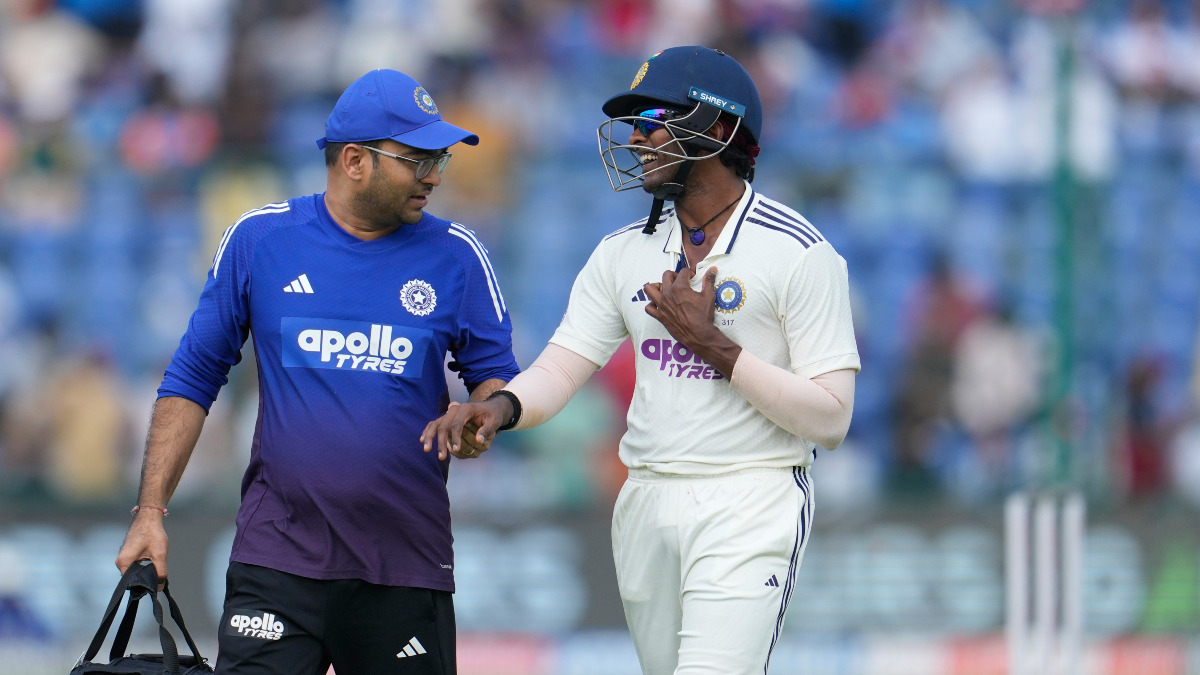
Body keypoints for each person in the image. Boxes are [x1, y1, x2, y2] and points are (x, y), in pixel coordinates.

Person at [422, 46, 860, 674]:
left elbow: (831, 419)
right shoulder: (620, 253)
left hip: (750, 497)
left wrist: (713, 345)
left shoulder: (799, 254)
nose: (636, 137)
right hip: (645, 499)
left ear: (718, 127)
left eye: (653, 117)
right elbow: (561, 368)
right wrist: (499, 407)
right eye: (632, 121)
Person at [116, 68, 520, 675]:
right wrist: (149, 513)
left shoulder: (458, 254)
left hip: (404, 565)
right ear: (355, 161)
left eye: (440, 159)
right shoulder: (260, 240)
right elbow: (193, 377)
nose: (435, 175)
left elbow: (497, 380)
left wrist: (485, 414)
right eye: (419, 159)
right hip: (276, 561)